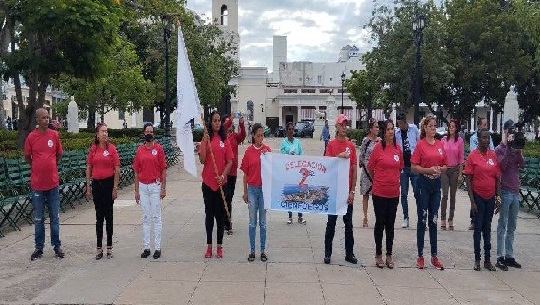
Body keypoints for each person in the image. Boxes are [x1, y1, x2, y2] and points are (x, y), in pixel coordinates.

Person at [25, 108, 64, 261]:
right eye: (43, 118)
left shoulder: (54, 135)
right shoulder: (31, 137)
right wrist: (38, 166)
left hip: (53, 184)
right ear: (37, 120)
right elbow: (28, 157)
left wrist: (50, 165)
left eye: (48, 117)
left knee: (55, 217)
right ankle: (39, 248)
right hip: (37, 186)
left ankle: (57, 246)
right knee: (39, 218)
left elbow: (59, 154)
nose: (47, 120)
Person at [411, 114, 447, 270]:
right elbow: (414, 166)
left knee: (433, 219)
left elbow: (446, 164)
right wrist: (428, 170)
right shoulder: (420, 145)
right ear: (425, 128)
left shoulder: (440, 144)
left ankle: (434, 255)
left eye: (434, 126)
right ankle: (420, 255)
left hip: (436, 183)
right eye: (430, 126)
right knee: (422, 219)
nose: (433, 128)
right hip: (423, 183)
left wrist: (440, 170)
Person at [464, 128, 501, 271]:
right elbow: (468, 179)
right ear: (478, 139)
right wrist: (472, 202)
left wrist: (498, 197)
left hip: (490, 197)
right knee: (478, 228)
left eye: (488, 138)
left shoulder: (493, 156)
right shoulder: (473, 156)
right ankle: (477, 259)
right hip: (478, 197)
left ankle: (487, 260)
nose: (486, 140)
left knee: (487, 228)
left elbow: (497, 178)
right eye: (484, 138)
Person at [368, 119, 403, 269]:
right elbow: (370, 168)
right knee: (380, 223)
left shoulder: (397, 149)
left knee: (390, 224)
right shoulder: (377, 148)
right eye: (388, 129)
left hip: (394, 193)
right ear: (384, 132)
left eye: (392, 129)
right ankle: (378, 254)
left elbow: (400, 167)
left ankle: (389, 254)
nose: (391, 131)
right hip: (379, 193)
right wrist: (378, 180)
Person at [323, 114, 358, 265]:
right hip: (334, 191)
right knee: (331, 223)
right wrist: (338, 157)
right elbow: (326, 166)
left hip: (346, 191)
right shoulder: (331, 145)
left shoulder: (351, 146)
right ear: (336, 127)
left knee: (348, 224)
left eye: (346, 125)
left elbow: (354, 169)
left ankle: (349, 253)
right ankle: (328, 253)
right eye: (341, 125)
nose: (344, 127)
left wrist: (352, 190)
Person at [199, 111, 233, 258]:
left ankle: (219, 246)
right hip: (208, 183)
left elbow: (230, 161)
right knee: (209, 215)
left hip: (221, 184)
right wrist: (205, 142)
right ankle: (209, 246)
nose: (217, 123)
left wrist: (223, 175)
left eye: (219, 120)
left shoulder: (225, 140)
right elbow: (202, 159)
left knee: (220, 216)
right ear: (210, 122)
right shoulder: (205, 138)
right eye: (215, 120)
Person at [85, 123, 120, 260]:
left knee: (109, 216)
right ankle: (99, 247)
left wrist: (115, 187)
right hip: (97, 185)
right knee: (99, 217)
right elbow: (89, 167)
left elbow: (117, 169)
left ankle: (109, 247)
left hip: (108, 184)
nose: (105, 134)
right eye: (102, 131)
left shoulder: (111, 149)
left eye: (106, 131)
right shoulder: (93, 149)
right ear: (97, 134)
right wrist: (88, 186)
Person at [133, 123, 167, 259]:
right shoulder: (140, 150)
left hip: (155, 186)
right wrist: (136, 191)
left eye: (151, 131)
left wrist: (163, 188)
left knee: (156, 217)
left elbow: (163, 169)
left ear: (154, 134)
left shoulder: (158, 149)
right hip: (143, 186)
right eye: (147, 131)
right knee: (146, 218)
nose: (149, 133)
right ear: (144, 133)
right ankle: (146, 247)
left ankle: (157, 247)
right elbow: (136, 171)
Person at [495, 120, 524, 271]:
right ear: (505, 131)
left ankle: (509, 255)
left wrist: (517, 151)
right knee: (502, 225)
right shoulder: (499, 149)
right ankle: (499, 256)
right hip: (505, 190)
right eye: (509, 131)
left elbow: (522, 164)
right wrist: (507, 147)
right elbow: (502, 166)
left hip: (515, 191)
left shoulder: (516, 147)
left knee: (512, 226)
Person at [240, 123, 272, 262]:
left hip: (264, 190)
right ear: (253, 136)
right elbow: (245, 174)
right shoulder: (249, 151)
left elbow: (273, 170)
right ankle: (252, 250)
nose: (260, 138)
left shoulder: (267, 150)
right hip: (252, 188)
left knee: (263, 222)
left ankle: (263, 250)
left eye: (262, 135)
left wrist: (268, 157)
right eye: (258, 136)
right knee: (252, 222)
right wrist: (245, 191)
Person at [468, 117, 495, 230]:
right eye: (484, 125)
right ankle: (474, 220)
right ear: (479, 126)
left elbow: (492, 149)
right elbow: (474, 151)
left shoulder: (488, 137)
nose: (486, 126)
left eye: (486, 124)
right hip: (476, 168)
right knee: (475, 196)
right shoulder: (474, 138)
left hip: (486, 167)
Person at [395, 113, 420, 228]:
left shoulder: (414, 129)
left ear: (405, 121)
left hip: (414, 165)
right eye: (398, 123)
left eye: (400, 123)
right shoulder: (397, 133)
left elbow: (419, 144)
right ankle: (406, 217)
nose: (399, 125)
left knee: (417, 193)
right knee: (403, 194)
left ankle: (421, 216)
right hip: (403, 166)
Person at [223, 115, 246, 235]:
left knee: (229, 197)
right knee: (223, 197)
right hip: (223, 172)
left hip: (232, 173)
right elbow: (222, 127)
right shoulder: (221, 137)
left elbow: (243, 136)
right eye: (228, 123)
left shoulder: (234, 137)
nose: (230, 125)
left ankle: (227, 221)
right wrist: (230, 119)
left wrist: (241, 124)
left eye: (230, 123)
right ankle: (225, 221)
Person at [440, 119, 464, 230]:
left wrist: (460, 174)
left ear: (456, 128)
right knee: (445, 195)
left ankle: (451, 219)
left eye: (453, 126)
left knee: (452, 196)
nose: (451, 128)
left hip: (454, 170)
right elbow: (439, 155)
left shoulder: (459, 141)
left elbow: (461, 159)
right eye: (450, 126)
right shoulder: (443, 140)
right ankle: (443, 219)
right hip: (445, 170)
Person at [280, 122, 306, 224]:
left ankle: (300, 216)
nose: (291, 131)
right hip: (288, 172)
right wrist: (287, 154)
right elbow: (281, 156)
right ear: (287, 131)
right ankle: (290, 216)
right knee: (289, 193)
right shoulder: (284, 143)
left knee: (299, 193)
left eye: (292, 129)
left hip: (297, 171)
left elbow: (302, 154)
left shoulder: (298, 142)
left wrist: (297, 157)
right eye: (289, 129)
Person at [358, 118, 380, 228]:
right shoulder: (365, 141)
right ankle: (365, 216)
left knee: (377, 196)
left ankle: (378, 217)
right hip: (366, 171)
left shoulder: (380, 141)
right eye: (375, 127)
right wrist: (361, 164)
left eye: (378, 127)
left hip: (377, 172)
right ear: (370, 129)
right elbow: (361, 155)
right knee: (366, 195)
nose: (377, 129)